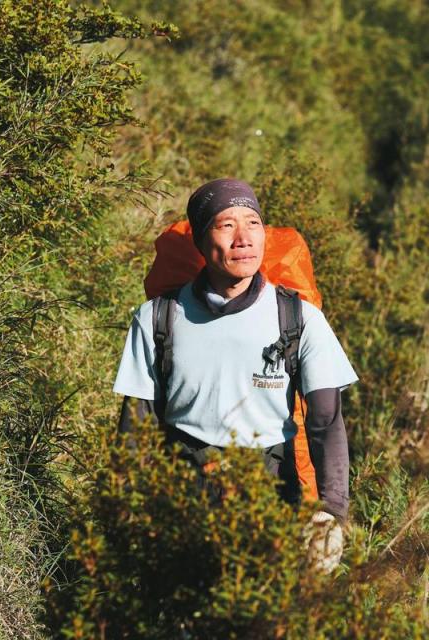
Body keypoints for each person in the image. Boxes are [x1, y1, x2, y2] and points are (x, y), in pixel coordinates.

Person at [112, 177, 357, 572]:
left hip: (275, 498)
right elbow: (137, 424)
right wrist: (126, 511)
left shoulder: (299, 319)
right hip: (183, 497)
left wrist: (331, 513)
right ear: (200, 240)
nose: (243, 238)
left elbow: (326, 422)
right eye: (226, 225)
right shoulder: (156, 318)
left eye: (253, 223)